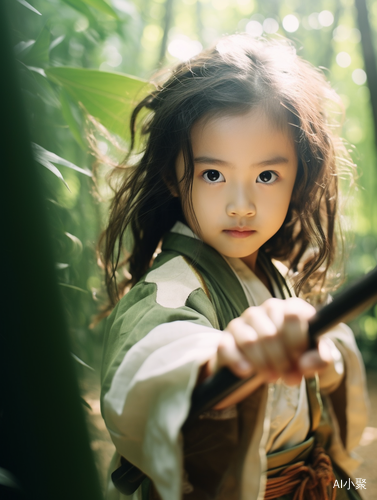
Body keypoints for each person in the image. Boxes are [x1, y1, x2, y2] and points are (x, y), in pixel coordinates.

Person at [99, 35, 368, 500]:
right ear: (171, 174)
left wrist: (324, 358)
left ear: (297, 177)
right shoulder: (170, 288)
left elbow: (321, 383)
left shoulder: (277, 274)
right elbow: (159, 354)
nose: (241, 206)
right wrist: (221, 357)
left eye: (266, 176)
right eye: (213, 174)